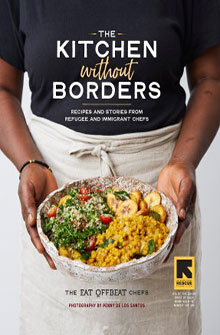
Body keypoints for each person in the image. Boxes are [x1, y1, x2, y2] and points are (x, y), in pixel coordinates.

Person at [0, 0, 220, 334]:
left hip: (166, 201)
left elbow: (211, 78)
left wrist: (182, 163)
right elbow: (2, 88)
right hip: (55, 203)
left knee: (174, 320)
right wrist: (28, 163)